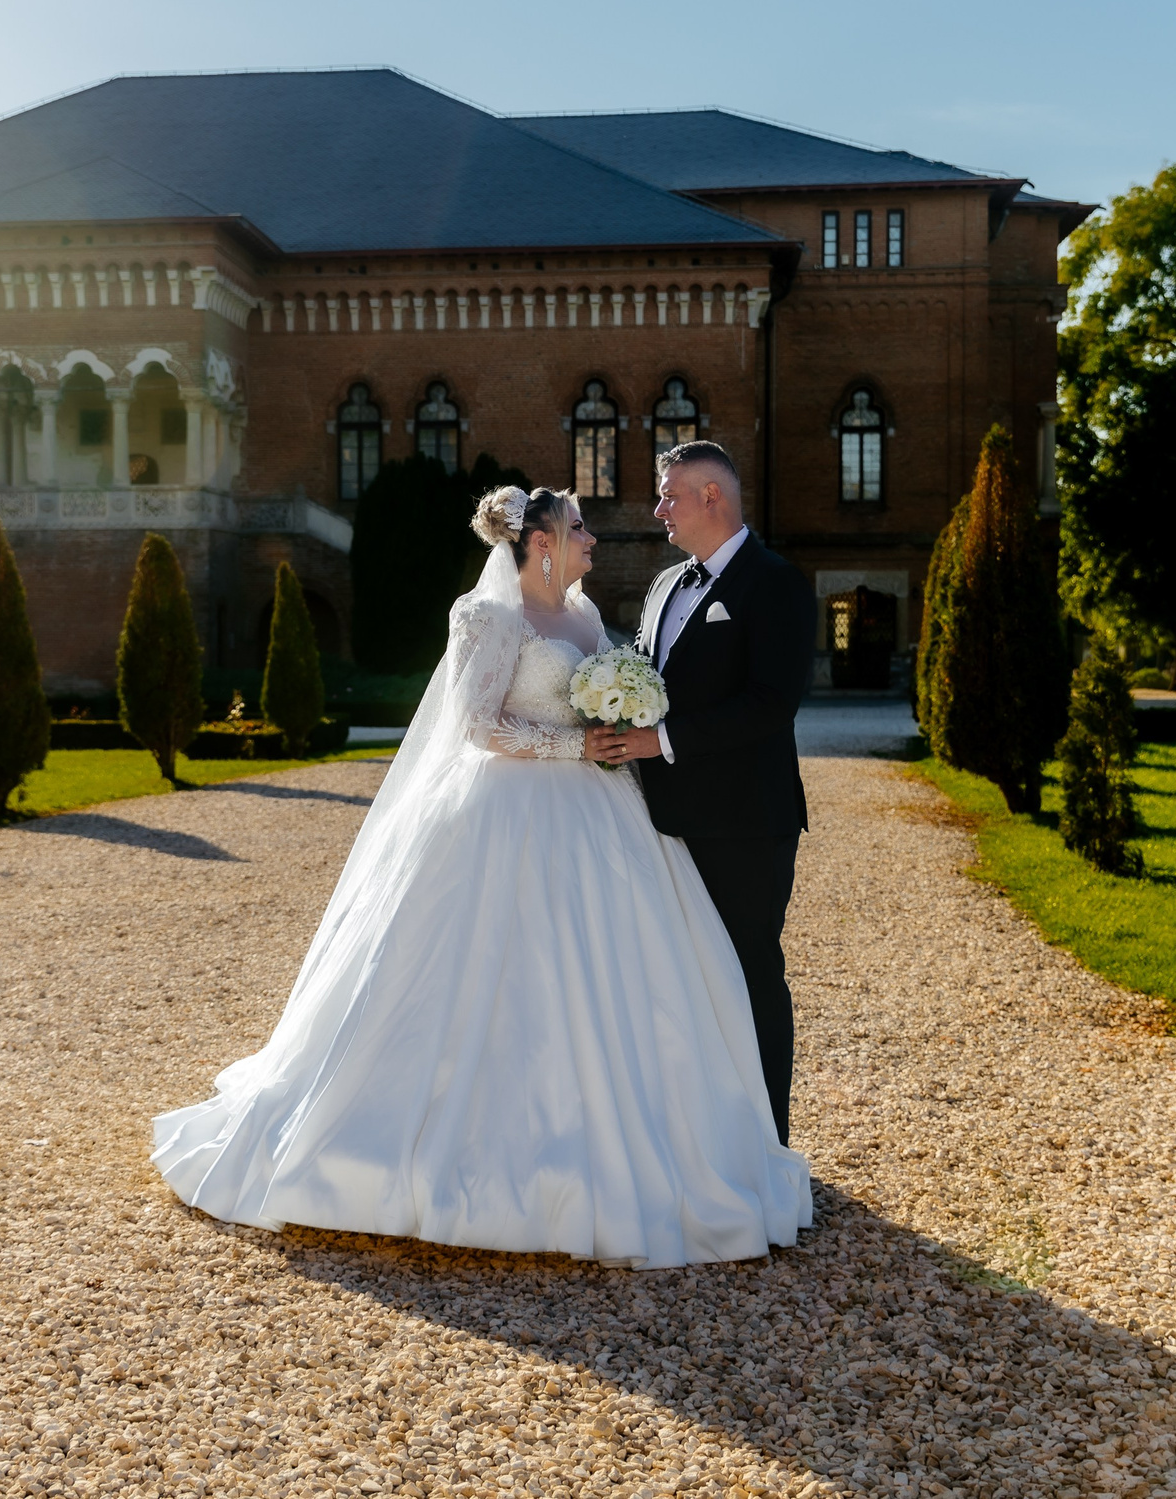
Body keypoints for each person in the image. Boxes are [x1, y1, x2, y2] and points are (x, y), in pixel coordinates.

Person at [152, 485, 809, 1268]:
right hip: (503, 810)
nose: (592, 540)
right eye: (578, 529)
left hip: (601, 817)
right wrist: (576, 748)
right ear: (539, 544)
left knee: (620, 975)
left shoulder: (588, 616)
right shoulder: (487, 617)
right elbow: (478, 724)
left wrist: (614, 729)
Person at [587, 442, 814, 1145]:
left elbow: (773, 702)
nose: (657, 509)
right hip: (664, 821)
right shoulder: (662, 587)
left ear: (712, 496)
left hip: (746, 822)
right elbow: (644, 677)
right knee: (682, 977)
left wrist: (665, 740)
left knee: (750, 972)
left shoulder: (776, 582)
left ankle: (768, 1141)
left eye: (668, 495)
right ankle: (701, 1135)